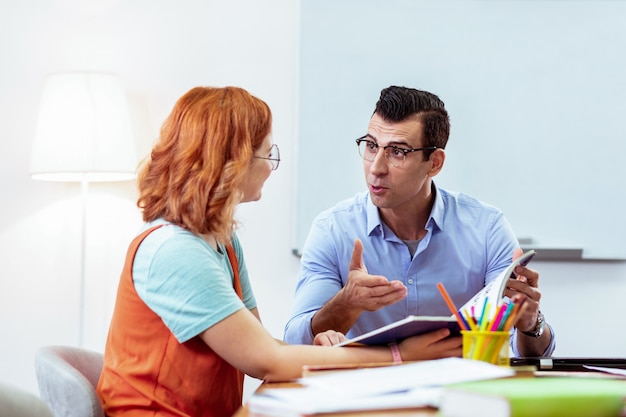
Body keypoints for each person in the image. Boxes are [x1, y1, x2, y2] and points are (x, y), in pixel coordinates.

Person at [96, 86, 463, 417]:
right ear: (233, 160)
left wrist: (335, 351)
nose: (272, 166)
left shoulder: (221, 240)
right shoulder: (174, 251)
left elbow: (264, 347)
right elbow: (267, 362)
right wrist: (400, 357)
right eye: (265, 152)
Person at [283, 85, 556, 358]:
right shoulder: (332, 229)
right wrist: (347, 303)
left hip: (461, 391)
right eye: (371, 145)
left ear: (434, 163)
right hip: (367, 391)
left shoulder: (487, 228)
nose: (376, 167)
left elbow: (525, 355)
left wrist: (531, 324)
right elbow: (294, 343)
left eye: (397, 152)